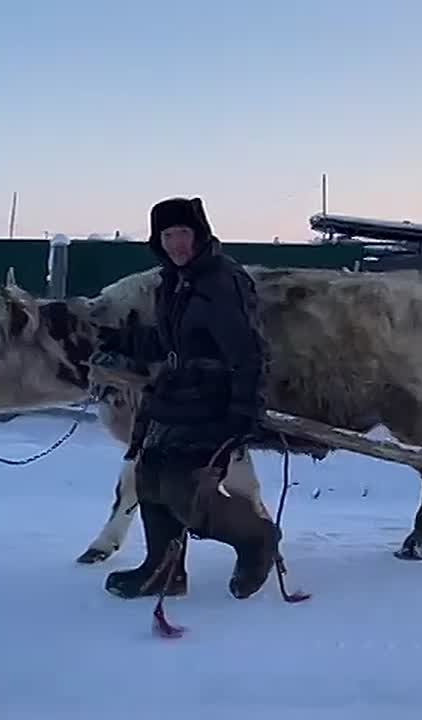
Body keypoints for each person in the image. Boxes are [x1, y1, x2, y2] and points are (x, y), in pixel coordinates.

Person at [96, 196, 281, 600]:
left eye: (183, 233)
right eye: (168, 235)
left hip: (215, 399)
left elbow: (248, 352)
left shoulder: (222, 281)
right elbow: (171, 341)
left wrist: (243, 411)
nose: (176, 243)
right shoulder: (174, 282)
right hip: (179, 394)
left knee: (184, 488)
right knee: (149, 476)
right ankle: (164, 571)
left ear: (200, 234)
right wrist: (119, 339)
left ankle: (257, 538)